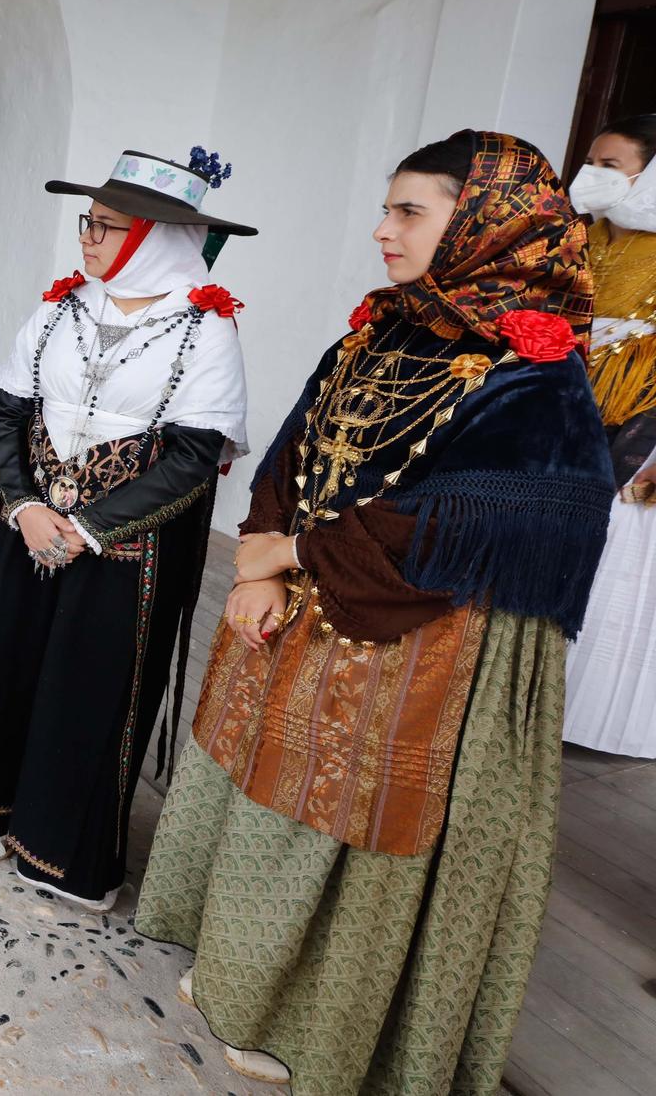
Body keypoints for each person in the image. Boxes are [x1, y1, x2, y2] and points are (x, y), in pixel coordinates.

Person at [138, 131, 613, 1090]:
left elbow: (483, 517)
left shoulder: (542, 373)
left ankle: (311, 1024)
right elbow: (294, 441)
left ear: (482, 223)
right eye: (386, 208)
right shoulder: (383, 328)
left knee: (348, 821)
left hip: (419, 634)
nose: (381, 230)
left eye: (410, 212)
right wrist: (261, 565)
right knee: (262, 785)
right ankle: (235, 964)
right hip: (306, 609)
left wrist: (294, 551)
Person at [0, 146, 254, 917]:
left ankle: (62, 852)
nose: (87, 236)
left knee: (89, 694)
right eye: (88, 221)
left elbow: (193, 453)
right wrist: (23, 503)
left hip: (124, 548)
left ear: (153, 234)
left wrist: (85, 525)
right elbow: (7, 408)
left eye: (106, 225)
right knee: (7, 664)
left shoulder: (203, 326)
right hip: (31, 524)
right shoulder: (61, 306)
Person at [563, 113, 656, 755]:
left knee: (620, 555)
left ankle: (601, 719)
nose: (592, 176)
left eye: (611, 165)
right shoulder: (576, 239)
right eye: (590, 162)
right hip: (568, 408)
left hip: (641, 428)